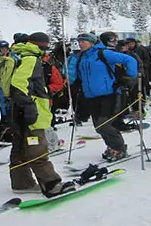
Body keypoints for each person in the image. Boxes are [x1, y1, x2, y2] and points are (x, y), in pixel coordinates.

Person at [8, 32, 75, 196]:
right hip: (32, 111)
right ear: (42, 45)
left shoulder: (18, 56)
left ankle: (21, 183)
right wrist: (30, 106)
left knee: (20, 147)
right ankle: (51, 184)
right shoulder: (31, 59)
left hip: (17, 110)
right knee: (37, 148)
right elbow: (18, 84)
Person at [68, 33, 138, 161]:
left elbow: (130, 60)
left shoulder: (103, 53)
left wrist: (129, 76)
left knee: (104, 124)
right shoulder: (82, 57)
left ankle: (119, 148)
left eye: (84, 41)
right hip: (90, 97)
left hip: (109, 94)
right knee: (98, 127)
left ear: (92, 43)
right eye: (80, 41)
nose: (81, 43)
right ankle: (112, 146)